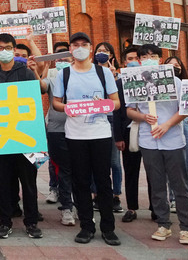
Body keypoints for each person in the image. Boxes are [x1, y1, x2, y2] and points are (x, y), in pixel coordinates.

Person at [52, 32, 121, 246]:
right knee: (80, 181)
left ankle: (108, 228)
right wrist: (68, 108)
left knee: (103, 181)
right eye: (75, 45)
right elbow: (56, 103)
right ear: (70, 49)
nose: (80, 48)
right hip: (75, 134)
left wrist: (104, 104)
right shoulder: (64, 74)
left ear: (90, 48)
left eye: (84, 44)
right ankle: (86, 227)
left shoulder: (103, 73)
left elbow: (116, 103)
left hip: (100, 133)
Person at [126, 44, 188, 246]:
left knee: (179, 184)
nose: (149, 58)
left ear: (160, 59)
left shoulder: (176, 82)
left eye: (153, 55)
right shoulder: (136, 82)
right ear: (139, 60)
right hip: (149, 140)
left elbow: (185, 108)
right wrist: (143, 116)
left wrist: (166, 125)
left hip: (172, 138)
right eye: (144, 56)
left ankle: (186, 227)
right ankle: (163, 224)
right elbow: (130, 111)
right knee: (156, 184)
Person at [0, 33, 44, 240]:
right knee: (3, 182)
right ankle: (5, 222)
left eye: (7, 47)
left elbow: (36, 99)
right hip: (3, 139)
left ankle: (31, 222)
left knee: (28, 182)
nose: (4, 51)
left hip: (25, 137)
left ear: (13, 49)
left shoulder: (26, 73)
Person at [114, 46, 153, 223]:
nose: (134, 61)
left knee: (154, 171)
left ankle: (156, 206)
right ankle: (131, 207)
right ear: (124, 62)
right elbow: (117, 111)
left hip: (150, 129)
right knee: (130, 171)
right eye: (130, 59)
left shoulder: (154, 80)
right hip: (128, 130)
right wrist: (118, 137)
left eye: (138, 58)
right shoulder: (120, 83)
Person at [43, 41, 76, 226]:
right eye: (60, 58)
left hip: (81, 130)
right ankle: (66, 208)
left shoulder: (84, 76)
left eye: (66, 58)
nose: (63, 61)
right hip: (56, 130)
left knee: (81, 170)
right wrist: (39, 70)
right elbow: (39, 85)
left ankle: (80, 206)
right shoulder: (53, 77)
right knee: (63, 170)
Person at [93, 42, 123, 213]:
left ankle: (116, 195)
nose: (102, 53)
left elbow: (119, 99)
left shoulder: (116, 74)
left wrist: (114, 77)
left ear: (111, 55)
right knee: (95, 161)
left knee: (114, 161)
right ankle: (96, 194)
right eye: (99, 51)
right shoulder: (89, 72)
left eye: (106, 51)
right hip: (94, 118)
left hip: (111, 119)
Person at [164, 55, 188, 210]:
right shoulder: (160, 84)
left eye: (177, 65)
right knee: (172, 164)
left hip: (185, 122)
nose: (174, 67)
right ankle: (173, 198)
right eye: (170, 65)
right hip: (167, 123)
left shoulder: (187, 84)